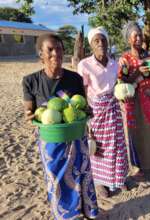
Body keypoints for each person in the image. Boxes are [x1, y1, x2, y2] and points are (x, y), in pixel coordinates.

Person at [22, 34, 99, 219]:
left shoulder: (74, 78)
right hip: (51, 141)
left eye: (59, 48)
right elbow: (29, 112)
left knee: (82, 176)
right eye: (50, 49)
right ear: (41, 54)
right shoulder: (30, 81)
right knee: (56, 180)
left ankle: (88, 212)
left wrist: (89, 114)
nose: (56, 52)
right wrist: (30, 115)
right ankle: (66, 215)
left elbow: (84, 108)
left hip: (76, 137)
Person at [78, 27, 128, 198]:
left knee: (117, 145)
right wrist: (87, 118)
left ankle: (117, 178)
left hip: (113, 108)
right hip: (96, 110)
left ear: (108, 42)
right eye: (96, 41)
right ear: (91, 44)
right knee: (98, 148)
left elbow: (116, 86)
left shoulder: (114, 64)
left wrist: (122, 95)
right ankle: (100, 183)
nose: (101, 44)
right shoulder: (84, 64)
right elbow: (83, 92)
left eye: (103, 40)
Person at [118, 21, 150, 178]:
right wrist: (137, 71)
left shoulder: (149, 55)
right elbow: (123, 83)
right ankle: (138, 167)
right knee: (137, 133)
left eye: (140, 34)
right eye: (135, 35)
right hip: (135, 101)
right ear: (128, 39)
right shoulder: (125, 59)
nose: (138, 38)